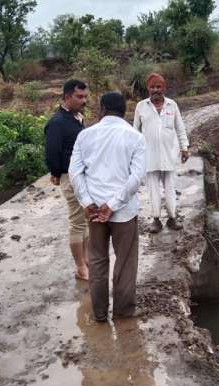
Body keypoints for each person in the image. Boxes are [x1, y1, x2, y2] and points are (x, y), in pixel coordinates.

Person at [69, 92, 146, 322]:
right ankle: (123, 311)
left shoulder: (85, 136)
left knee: (98, 261)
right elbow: (136, 177)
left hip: (94, 213)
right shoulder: (135, 137)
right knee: (125, 262)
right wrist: (112, 205)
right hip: (123, 212)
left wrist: (87, 201)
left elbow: (75, 172)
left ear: (102, 108)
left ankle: (100, 313)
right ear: (125, 110)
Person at [45, 79, 90, 281]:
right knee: (77, 222)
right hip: (70, 177)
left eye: (85, 96)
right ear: (66, 97)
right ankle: (80, 267)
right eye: (79, 97)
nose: (84, 100)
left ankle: (86, 260)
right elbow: (52, 152)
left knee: (86, 220)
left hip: (83, 176)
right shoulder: (57, 123)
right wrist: (56, 172)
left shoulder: (77, 118)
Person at [133, 73, 189, 234]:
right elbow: (134, 131)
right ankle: (156, 220)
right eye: (152, 87)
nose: (155, 90)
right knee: (153, 189)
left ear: (164, 88)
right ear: (148, 88)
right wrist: (133, 154)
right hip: (149, 156)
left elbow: (180, 128)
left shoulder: (172, 105)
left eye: (158, 87)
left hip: (169, 154)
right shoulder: (141, 106)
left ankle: (172, 218)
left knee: (170, 187)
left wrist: (184, 147)